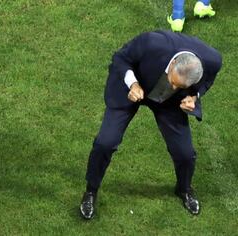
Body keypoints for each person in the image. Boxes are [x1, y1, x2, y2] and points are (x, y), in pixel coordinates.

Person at [80, 30, 222, 219]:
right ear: (172, 64)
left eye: (180, 86)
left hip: (169, 104)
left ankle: (183, 189)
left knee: (185, 154)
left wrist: (193, 96)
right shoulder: (152, 42)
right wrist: (133, 84)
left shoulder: (213, 60)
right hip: (135, 88)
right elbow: (120, 58)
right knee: (105, 142)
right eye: (173, 82)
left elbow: (208, 80)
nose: (173, 88)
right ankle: (91, 190)